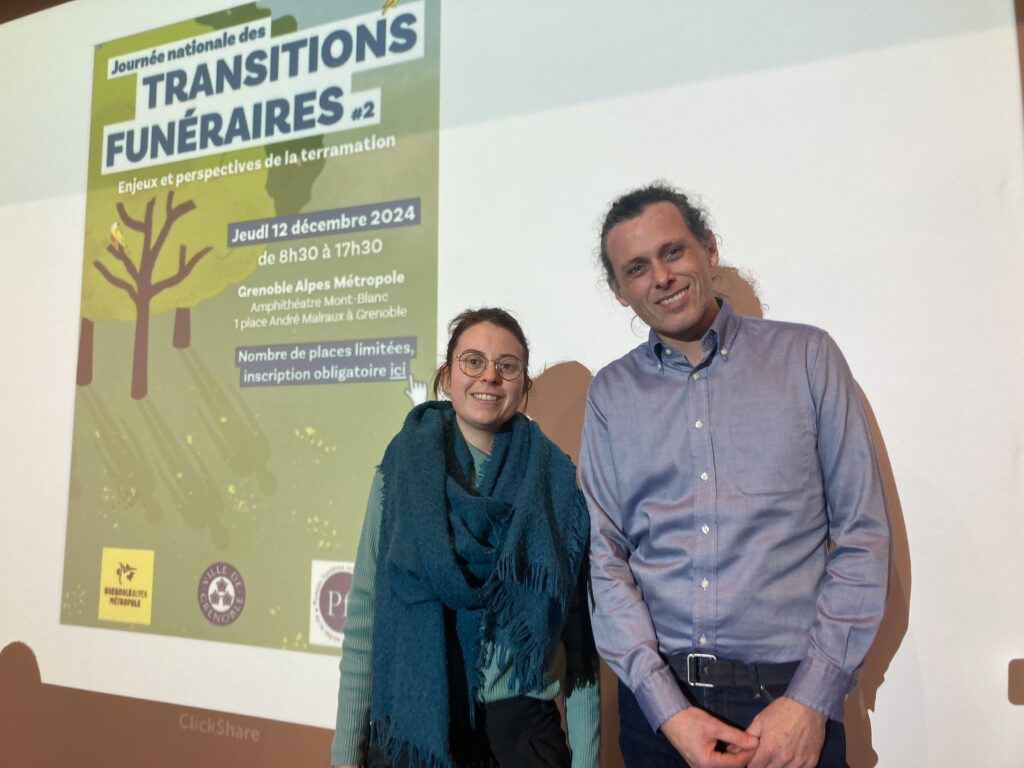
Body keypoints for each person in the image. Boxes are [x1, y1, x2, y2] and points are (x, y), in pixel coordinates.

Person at [578, 184, 890, 768]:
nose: (662, 277)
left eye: (673, 252)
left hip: (791, 707)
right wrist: (665, 708)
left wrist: (810, 700)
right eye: (637, 268)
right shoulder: (611, 395)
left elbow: (862, 536)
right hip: (660, 717)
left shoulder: (807, 358)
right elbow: (604, 557)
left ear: (709, 249)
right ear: (621, 292)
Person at [331, 308, 600, 768]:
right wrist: (344, 756)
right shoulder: (401, 471)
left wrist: (588, 760)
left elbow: (578, 639)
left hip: (522, 736)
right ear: (447, 376)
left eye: (507, 365)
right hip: (417, 724)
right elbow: (364, 619)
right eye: (473, 361)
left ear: (523, 385)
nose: (489, 376)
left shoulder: (556, 485)